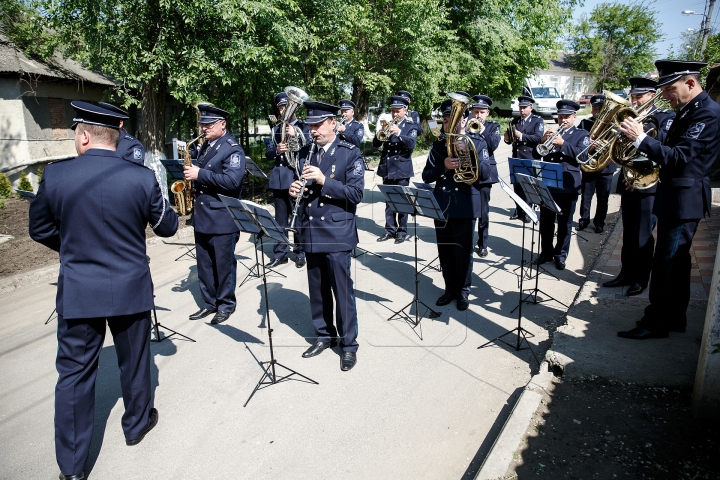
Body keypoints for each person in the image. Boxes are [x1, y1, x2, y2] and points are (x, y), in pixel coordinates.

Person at [28, 101, 178, 480]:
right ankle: (137, 425)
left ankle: (73, 468)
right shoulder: (141, 178)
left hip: (79, 291)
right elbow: (168, 228)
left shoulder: (56, 176)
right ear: (117, 135)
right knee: (135, 361)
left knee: (75, 376)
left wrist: (76, 247)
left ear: (82, 135)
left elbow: (40, 230)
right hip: (130, 287)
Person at [616, 60, 720, 339]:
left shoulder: (707, 113)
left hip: (683, 201)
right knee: (678, 264)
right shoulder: (689, 110)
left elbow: (679, 157)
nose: (665, 95)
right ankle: (675, 317)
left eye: (670, 88)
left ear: (690, 83)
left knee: (666, 263)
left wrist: (639, 139)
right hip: (675, 197)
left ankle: (655, 323)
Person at [289, 101, 364, 371]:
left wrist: (324, 181)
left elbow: (356, 194)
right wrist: (295, 189)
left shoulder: (350, 153)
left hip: (336, 232)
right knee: (317, 290)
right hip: (311, 232)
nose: (313, 130)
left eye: (318, 125)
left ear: (333, 123)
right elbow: (304, 188)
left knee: (342, 292)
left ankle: (349, 345)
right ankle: (324, 335)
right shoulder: (306, 153)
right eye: (310, 125)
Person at [603, 77, 676, 297]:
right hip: (629, 180)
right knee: (629, 232)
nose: (634, 100)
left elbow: (664, 145)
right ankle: (626, 273)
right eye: (633, 96)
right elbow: (620, 148)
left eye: (639, 96)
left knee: (643, 234)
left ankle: (640, 279)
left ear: (651, 95)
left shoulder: (664, 117)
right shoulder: (628, 117)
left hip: (649, 183)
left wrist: (640, 131)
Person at [422, 98, 489, 311]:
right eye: (445, 119)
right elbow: (426, 176)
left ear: (464, 119)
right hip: (442, 204)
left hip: (466, 204)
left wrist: (469, 153)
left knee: (463, 252)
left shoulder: (477, 141)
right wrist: (443, 166)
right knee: (445, 252)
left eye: (454, 118)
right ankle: (449, 288)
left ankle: (463, 291)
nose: (449, 122)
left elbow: (487, 174)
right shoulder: (438, 145)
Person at [184, 104, 246, 325]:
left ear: (222, 124)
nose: (204, 127)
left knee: (223, 265)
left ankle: (225, 304)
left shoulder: (233, 149)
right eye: (202, 123)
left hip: (222, 218)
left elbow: (231, 182)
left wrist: (200, 174)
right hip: (203, 216)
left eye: (208, 124)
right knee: (205, 264)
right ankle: (209, 303)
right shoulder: (206, 146)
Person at [535, 100, 590, 270]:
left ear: (574, 117)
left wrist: (563, 144)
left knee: (564, 223)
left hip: (567, 185)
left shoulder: (581, 135)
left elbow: (583, 156)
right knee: (546, 221)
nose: (563, 120)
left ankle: (560, 254)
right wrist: (542, 141)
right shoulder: (551, 132)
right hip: (549, 183)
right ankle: (546, 252)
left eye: (566, 117)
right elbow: (540, 153)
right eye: (560, 116)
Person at [265, 91, 309, 268]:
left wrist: (296, 135)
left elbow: (310, 146)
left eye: (287, 107)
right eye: (281, 107)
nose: (284, 110)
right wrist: (277, 150)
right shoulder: (275, 129)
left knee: (297, 217)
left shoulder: (304, 127)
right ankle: (280, 253)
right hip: (279, 179)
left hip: (295, 176)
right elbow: (268, 153)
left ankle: (300, 251)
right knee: (280, 221)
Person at [374, 95, 421, 243]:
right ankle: (390, 230)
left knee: (402, 201)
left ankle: (402, 230)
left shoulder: (410, 125)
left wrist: (399, 133)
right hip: (388, 168)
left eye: (397, 111)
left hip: (401, 168)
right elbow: (376, 143)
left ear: (405, 110)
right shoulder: (387, 124)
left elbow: (411, 144)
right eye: (393, 111)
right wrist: (381, 131)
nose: (394, 114)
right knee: (389, 201)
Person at [577, 94, 616, 234]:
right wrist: (590, 144)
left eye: (601, 108)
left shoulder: (614, 125)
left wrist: (605, 146)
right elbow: (578, 142)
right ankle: (584, 220)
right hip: (589, 165)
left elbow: (616, 145)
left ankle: (599, 222)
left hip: (606, 166)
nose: (597, 110)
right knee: (586, 196)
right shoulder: (584, 123)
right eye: (595, 107)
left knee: (603, 197)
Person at [504, 96, 545, 221]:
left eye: (524, 107)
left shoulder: (537, 120)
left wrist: (521, 135)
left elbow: (538, 137)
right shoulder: (515, 121)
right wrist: (507, 138)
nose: (522, 110)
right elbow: (509, 140)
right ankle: (518, 210)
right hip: (517, 157)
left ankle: (528, 212)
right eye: (520, 107)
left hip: (530, 157)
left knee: (529, 187)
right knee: (517, 186)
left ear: (531, 108)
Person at [470, 94, 500, 257]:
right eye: (475, 112)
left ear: (487, 113)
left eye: (481, 112)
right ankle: (467, 240)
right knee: (468, 211)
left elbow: (492, 145)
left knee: (483, 212)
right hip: (468, 173)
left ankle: (483, 244)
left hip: (484, 174)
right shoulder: (466, 126)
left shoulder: (493, 127)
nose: (478, 115)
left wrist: (481, 130)